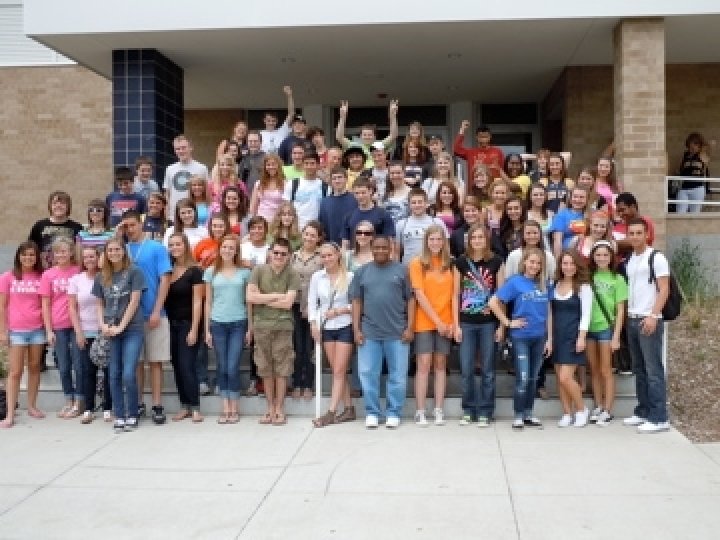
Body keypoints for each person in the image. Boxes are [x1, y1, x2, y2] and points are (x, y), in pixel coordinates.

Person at [350, 236, 415, 429]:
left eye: (384, 247)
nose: (380, 251)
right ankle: (372, 412)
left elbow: (411, 300)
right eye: (376, 247)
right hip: (369, 332)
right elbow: (356, 301)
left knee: (398, 376)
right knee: (368, 374)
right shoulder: (362, 272)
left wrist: (410, 327)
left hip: (397, 333)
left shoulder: (402, 271)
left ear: (390, 249)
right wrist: (356, 329)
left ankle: (394, 413)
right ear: (371, 248)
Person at [488, 247, 552, 430]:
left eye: (538, 263)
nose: (535, 266)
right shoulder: (515, 282)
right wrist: (508, 323)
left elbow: (549, 311)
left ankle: (528, 413)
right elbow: (493, 302)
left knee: (533, 378)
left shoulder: (545, 283)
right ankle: (518, 415)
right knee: (523, 378)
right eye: (531, 262)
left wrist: (550, 338)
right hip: (521, 337)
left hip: (540, 337)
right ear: (524, 262)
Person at [121, 210, 172, 425]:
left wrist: (156, 310)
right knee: (136, 363)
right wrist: (116, 236)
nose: (130, 229)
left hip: (153, 312)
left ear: (140, 223)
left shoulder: (156, 248)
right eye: (125, 226)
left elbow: (165, 280)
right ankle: (138, 402)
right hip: (130, 316)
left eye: (132, 225)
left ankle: (157, 404)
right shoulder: (121, 249)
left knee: (156, 362)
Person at [92, 238, 146, 432]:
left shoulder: (134, 272)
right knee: (113, 373)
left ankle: (132, 413)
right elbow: (99, 303)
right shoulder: (101, 276)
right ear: (105, 253)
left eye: (117, 249)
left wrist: (121, 326)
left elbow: (134, 301)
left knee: (128, 373)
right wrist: (102, 325)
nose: (114, 253)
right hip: (110, 329)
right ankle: (120, 414)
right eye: (110, 250)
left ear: (123, 251)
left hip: (132, 329)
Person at [622, 219, 670, 433]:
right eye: (631, 233)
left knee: (653, 369)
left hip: (648, 318)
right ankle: (643, 411)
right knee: (639, 369)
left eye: (638, 233)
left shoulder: (656, 257)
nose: (635, 237)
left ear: (647, 234)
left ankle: (659, 417)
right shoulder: (630, 259)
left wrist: (653, 315)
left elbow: (664, 289)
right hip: (632, 318)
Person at [453, 224, 504, 426]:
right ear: (469, 240)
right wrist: (456, 324)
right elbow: (455, 295)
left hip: (488, 323)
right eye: (473, 237)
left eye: (480, 237)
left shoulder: (496, 261)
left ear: (487, 239)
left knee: (488, 370)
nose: (477, 241)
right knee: (466, 369)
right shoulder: (460, 262)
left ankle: (486, 410)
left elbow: (501, 296)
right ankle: (468, 409)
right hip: (466, 322)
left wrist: (502, 326)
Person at [247, 238, 301, 426]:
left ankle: (279, 408)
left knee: (282, 369)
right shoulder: (258, 271)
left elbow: (288, 303)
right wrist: (277, 296)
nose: (279, 256)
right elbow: (250, 297)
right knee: (265, 369)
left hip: (283, 326)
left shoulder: (292, 274)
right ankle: (269, 407)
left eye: (283, 254)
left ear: (289, 256)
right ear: (270, 253)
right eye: (276, 252)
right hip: (261, 325)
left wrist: (262, 298)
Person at [409, 225, 456, 427]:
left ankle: (438, 409)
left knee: (440, 365)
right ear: (426, 241)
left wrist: (451, 322)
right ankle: (420, 411)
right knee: (423, 364)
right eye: (432, 239)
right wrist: (437, 322)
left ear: (444, 241)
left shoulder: (450, 263)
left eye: (439, 239)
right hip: (425, 321)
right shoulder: (417, 263)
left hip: (446, 322)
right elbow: (419, 295)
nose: (435, 243)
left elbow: (455, 295)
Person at [308, 242, 356, 427]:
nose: (327, 259)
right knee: (337, 370)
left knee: (339, 370)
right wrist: (313, 323)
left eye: (330, 255)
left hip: (344, 325)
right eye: (323, 256)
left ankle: (331, 412)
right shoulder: (317, 277)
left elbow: (356, 304)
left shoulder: (349, 277)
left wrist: (339, 311)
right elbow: (312, 302)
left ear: (338, 255)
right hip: (326, 327)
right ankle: (349, 408)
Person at [204, 234, 251, 424]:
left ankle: (235, 406)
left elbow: (249, 302)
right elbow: (208, 301)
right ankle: (225, 407)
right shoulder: (211, 272)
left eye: (231, 247)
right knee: (222, 366)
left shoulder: (244, 273)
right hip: (218, 323)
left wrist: (250, 328)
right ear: (219, 249)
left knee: (232, 366)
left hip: (238, 323)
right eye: (224, 247)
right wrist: (207, 329)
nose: (227, 250)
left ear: (236, 251)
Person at [0, 242, 46, 428]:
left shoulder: (42, 276)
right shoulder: (8, 277)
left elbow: (45, 303)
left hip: (37, 330)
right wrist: (2, 331)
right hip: (16, 331)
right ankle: (10, 413)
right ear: (18, 256)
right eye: (25, 254)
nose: (28, 258)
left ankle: (32, 406)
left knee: (34, 368)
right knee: (15, 372)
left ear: (37, 257)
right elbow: (2, 306)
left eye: (32, 255)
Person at [69, 246, 112, 424]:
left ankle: (108, 408)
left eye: (92, 256)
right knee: (88, 371)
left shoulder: (107, 277)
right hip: (85, 331)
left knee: (108, 371)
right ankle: (88, 408)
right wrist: (78, 332)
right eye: (86, 257)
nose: (89, 260)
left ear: (99, 257)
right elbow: (72, 308)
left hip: (105, 330)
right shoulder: (76, 280)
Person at [587, 240, 627, 426]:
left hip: (605, 328)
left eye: (605, 255)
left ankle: (608, 410)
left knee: (606, 370)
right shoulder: (588, 277)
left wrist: (616, 335)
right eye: (598, 255)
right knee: (594, 370)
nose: (601, 258)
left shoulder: (617, 279)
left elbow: (620, 310)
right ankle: (598, 405)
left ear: (611, 257)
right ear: (593, 257)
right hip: (589, 328)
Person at [40, 237, 81, 418]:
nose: (61, 255)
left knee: (79, 365)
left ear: (71, 252)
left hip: (78, 324)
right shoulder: (48, 275)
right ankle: (68, 400)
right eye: (57, 252)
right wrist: (49, 330)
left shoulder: (78, 271)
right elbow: (45, 304)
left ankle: (80, 401)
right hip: (58, 325)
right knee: (64, 366)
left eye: (64, 251)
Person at [165, 232, 204, 423]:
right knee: (176, 365)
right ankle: (184, 405)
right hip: (170, 324)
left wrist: (194, 329)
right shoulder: (167, 270)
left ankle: (195, 406)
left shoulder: (195, 271)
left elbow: (198, 301)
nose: (174, 248)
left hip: (188, 323)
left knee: (187, 365)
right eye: (171, 245)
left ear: (185, 245)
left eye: (178, 244)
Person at [552, 250, 592, 428]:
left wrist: (581, 337)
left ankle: (582, 409)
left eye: (571, 264)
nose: (568, 267)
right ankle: (567, 413)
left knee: (565, 377)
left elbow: (586, 314)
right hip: (557, 336)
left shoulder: (583, 287)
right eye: (565, 263)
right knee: (559, 378)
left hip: (573, 336)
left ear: (577, 266)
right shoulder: (555, 284)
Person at [290, 221, 324, 400]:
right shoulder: (293, 256)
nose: (309, 238)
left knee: (310, 347)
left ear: (318, 238)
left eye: (313, 235)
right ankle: (297, 382)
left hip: (314, 308)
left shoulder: (321, 257)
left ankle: (309, 384)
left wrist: (309, 308)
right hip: (295, 306)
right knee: (297, 347)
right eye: (306, 234)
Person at [29, 190, 83, 269]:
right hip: (44, 270)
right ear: (50, 206)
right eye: (54, 203)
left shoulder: (77, 227)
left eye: (62, 203)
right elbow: (31, 248)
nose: (58, 206)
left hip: (68, 270)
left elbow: (80, 252)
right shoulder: (39, 225)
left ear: (68, 207)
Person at [335, 99, 399, 165]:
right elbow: (339, 137)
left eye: (369, 135)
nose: (367, 137)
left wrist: (393, 116)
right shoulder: (354, 146)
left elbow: (393, 135)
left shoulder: (379, 145)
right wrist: (342, 117)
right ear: (360, 136)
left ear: (374, 136)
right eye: (364, 135)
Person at [395, 188, 448, 264]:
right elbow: (397, 252)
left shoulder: (437, 222)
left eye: (420, 202)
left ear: (426, 204)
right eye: (414, 202)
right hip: (408, 268)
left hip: (433, 267)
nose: (417, 205)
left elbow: (446, 247)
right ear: (409, 205)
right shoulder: (401, 224)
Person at [341, 177, 395, 250]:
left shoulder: (383, 214)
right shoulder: (349, 216)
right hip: (355, 255)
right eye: (357, 193)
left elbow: (390, 242)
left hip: (376, 255)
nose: (360, 196)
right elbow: (345, 244)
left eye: (363, 193)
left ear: (370, 191)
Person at [163, 134, 209, 220]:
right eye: (177, 149)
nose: (181, 151)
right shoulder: (170, 169)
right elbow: (167, 194)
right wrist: (167, 213)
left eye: (184, 148)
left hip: (195, 215)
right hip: (174, 216)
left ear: (191, 148)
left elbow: (207, 192)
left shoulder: (202, 168)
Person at [283, 151, 327, 229]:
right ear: (302, 165)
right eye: (306, 163)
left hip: (316, 230)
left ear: (318, 165)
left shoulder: (326, 187)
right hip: (295, 229)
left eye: (312, 163)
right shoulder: (292, 184)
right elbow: (286, 208)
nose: (309, 166)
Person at [318, 166, 358, 244]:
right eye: (334, 178)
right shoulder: (325, 202)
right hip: (332, 246)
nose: (337, 181)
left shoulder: (356, 199)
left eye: (340, 177)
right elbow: (322, 227)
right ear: (331, 181)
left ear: (346, 179)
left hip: (353, 245)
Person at [549, 186, 589, 260]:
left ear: (586, 200)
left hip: (585, 255)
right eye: (575, 196)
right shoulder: (561, 215)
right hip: (567, 254)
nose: (578, 200)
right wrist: (558, 261)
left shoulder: (589, 216)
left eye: (582, 197)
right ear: (570, 199)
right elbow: (557, 240)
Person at [676, 132, 710, 213]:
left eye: (695, 144)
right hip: (684, 188)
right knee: (680, 212)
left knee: (694, 214)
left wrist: (707, 189)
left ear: (699, 145)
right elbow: (681, 170)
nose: (692, 146)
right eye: (691, 143)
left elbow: (706, 172)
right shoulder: (685, 156)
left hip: (697, 188)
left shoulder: (702, 155)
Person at [249, 153, 286, 222]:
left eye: (273, 164)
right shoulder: (258, 184)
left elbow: (286, 206)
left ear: (278, 166)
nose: (271, 167)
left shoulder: (285, 184)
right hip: (261, 221)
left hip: (278, 221)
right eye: (268, 165)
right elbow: (253, 206)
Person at [259, 86, 295, 154]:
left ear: (276, 121)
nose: (271, 123)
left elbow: (291, 114)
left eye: (273, 121)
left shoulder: (282, 131)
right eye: (268, 120)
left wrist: (289, 96)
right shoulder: (259, 134)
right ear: (264, 121)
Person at [491, 196, 527, 260]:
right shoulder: (501, 229)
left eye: (516, 208)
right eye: (510, 209)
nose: (513, 211)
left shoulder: (529, 227)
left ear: (522, 209)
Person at [238, 130, 266, 196]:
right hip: (245, 196)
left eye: (255, 141)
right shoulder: (243, 159)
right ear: (247, 143)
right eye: (250, 141)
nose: (253, 143)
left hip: (261, 196)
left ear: (260, 142)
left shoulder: (266, 158)